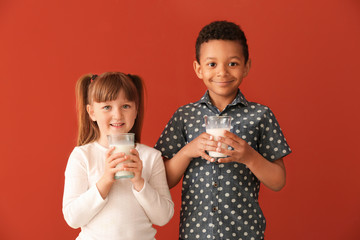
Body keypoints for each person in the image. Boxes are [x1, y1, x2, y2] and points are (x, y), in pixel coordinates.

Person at [155, 21, 292, 240]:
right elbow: (164, 179)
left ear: (246, 66)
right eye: (212, 64)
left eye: (233, 63)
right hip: (195, 234)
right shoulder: (184, 116)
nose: (222, 72)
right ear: (198, 69)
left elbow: (278, 180)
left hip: (245, 233)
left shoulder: (260, 115)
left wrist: (249, 156)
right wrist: (187, 151)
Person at [63, 72, 174, 240]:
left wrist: (139, 182)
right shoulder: (82, 156)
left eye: (126, 106)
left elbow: (163, 217)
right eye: (107, 107)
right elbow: (73, 218)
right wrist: (105, 180)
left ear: (136, 110)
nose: (118, 115)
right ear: (92, 112)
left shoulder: (151, 157)